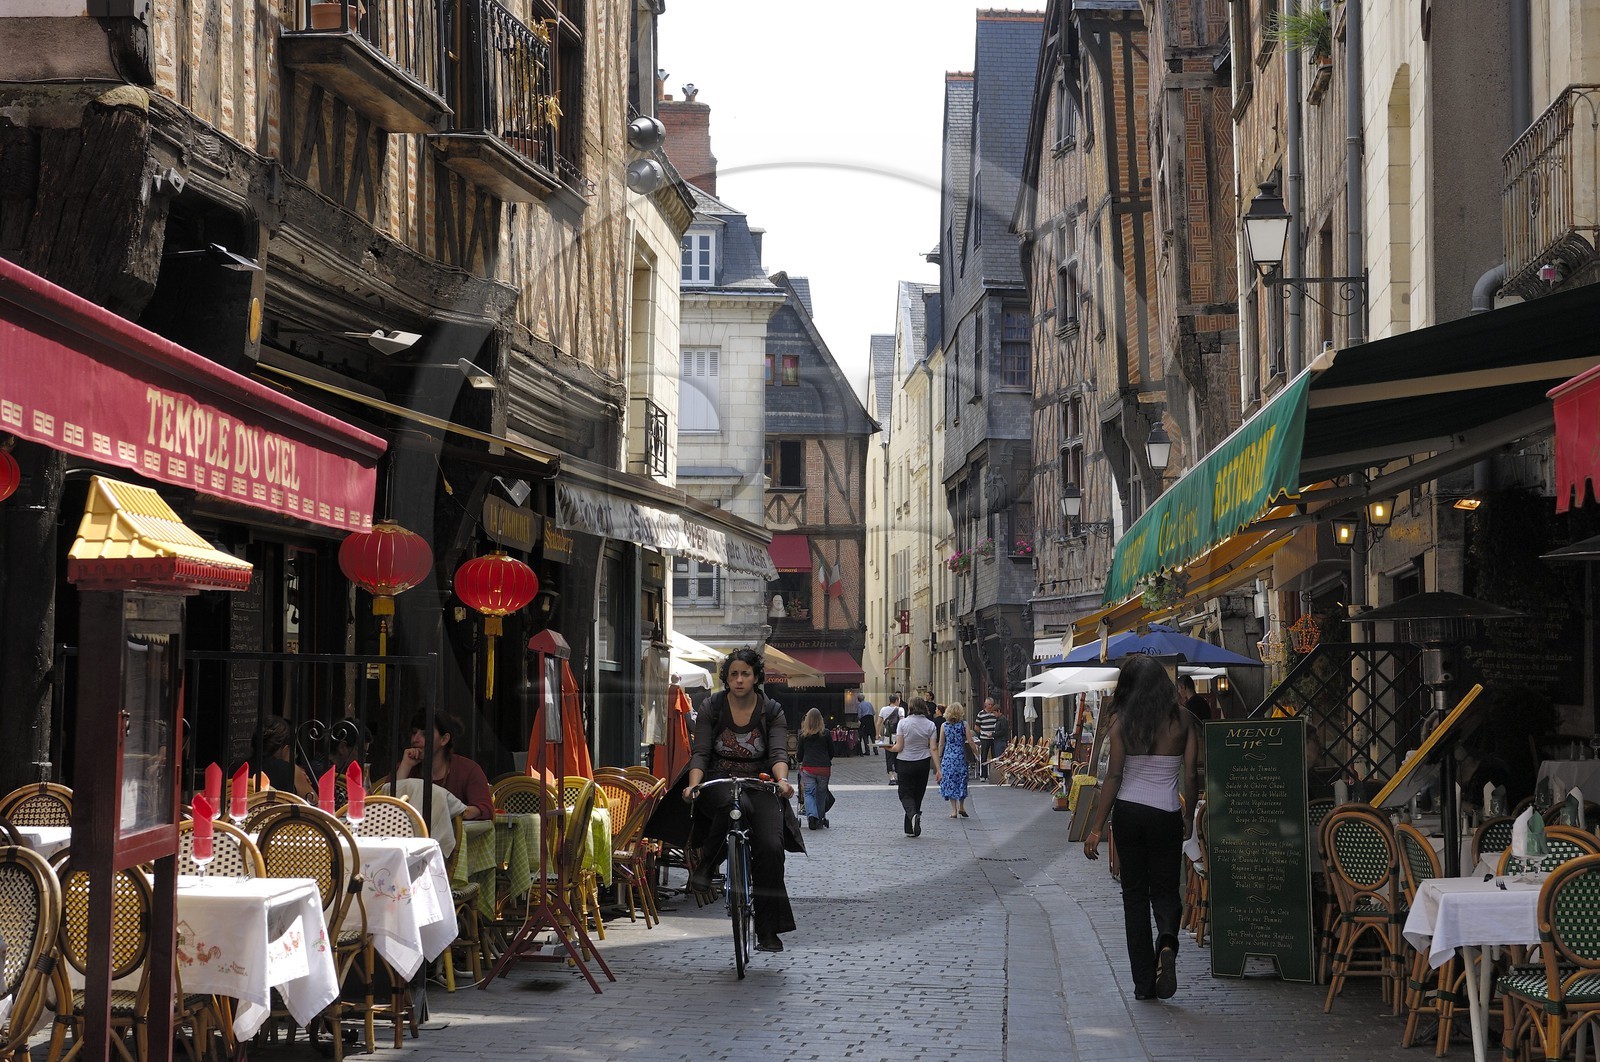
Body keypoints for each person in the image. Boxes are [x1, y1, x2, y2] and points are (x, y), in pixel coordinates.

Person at [1083, 656, 1199, 1002]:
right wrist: (1189, 815)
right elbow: (1191, 775)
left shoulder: (1122, 723)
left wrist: (1095, 828)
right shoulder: (1185, 721)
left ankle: (1144, 985)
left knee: (1134, 899)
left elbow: (1114, 777)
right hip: (1165, 814)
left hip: (1129, 815)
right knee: (1165, 891)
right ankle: (1166, 940)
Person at [682, 647, 798, 953]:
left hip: (759, 783)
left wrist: (783, 781)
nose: (739, 679)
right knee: (734, 805)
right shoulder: (712, 707)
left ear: (756, 676)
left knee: (771, 848)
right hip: (719, 780)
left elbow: (777, 753)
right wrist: (693, 785)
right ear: (726, 678)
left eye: (745, 673)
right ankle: (708, 865)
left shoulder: (771, 710)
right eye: (733, 674)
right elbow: (701, 752)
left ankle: (768, 930)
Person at [394, 711, 494, 820]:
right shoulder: (405, 766)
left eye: (425, 734)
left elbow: (485, 809)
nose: (415, 740)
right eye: (414, 733)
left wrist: (456, 813)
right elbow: (387, 805)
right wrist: (406, 765)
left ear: (444, 739)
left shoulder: (468, 769)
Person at [888, 696, 938, 837]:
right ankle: (910, 828)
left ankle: (913, 815)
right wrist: (938, 769)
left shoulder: (903, 724)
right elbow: (933, 748)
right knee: (917, 794)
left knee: (904, 793)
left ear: (910, 707)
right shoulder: (930, 725)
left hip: (905, 761)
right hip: (923, 762)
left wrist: (888, 748)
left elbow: (899, 747)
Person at [935, 702, 980, 818]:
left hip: (948, 757)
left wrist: (939, 757)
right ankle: (962, 806)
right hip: (960, 756)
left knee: (950, 781)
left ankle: (954, 810)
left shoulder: (944, 726)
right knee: (961, 781)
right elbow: (970, 741)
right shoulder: (964, 724)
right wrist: (976, 754)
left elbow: (941, 743)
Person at [259, 715, 316, 800]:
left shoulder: (238, 769)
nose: (295, 756)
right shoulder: (291, 771)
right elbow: (315, 805)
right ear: (286, 749)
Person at [796, 708, 833, 830]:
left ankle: (812, 815)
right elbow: (832, 752)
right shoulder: (826, 733)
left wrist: (800, 759)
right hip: (824, 768)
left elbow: (799, 755)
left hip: (808, 768)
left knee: (808, 793)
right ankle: (820, 818)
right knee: (821, 794)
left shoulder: (803, 735)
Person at [880, 695, 906, 785]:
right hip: (898, 735)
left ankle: (891, 777)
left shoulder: (883, 709)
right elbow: (902, 722)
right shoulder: (900, 709)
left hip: (888, 736)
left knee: (889, 756)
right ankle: (900, 776)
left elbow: (878, 722)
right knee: (899, 755)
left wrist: (877, 734)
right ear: (897, 700)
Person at [975, 698, 1003, 781]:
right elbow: (976, 727)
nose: (990, 706)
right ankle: (983, 775)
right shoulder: (981, 714)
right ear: (985, 705)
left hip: (994, 737)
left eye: (992, 704)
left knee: (995, 756)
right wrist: (982, 733)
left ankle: (995, 774)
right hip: (984, 738)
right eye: (989, 704)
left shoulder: (994, 714)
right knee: (984, 756)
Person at [855, 687, 877, 755]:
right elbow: (873, 713)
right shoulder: (869, 703)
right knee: (873, 737)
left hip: (864, 721)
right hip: (871, 720)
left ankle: (867, 751)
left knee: (865, 736)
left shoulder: (860, 705)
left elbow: (859, 715)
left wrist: (857, 720)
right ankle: (875, 751)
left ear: (858, 699)